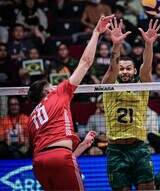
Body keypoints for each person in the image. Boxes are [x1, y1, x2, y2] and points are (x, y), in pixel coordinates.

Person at [27, 15, 113, 190]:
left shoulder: (31, 117)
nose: (55, 86)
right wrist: (96, 32)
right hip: (60, 157)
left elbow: (49, 148)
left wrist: (81, 146)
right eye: (52, 85)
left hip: (38, 163)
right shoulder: (58, 93)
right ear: (47, 91)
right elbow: (85, 62)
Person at [101, 18, 160, 190]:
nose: (125, 71)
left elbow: (147, 67)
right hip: (116, 150)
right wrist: (116, 45)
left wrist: (149, 44)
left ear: (134, 71)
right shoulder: (109, 87)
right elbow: (111, 69)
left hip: (139, 148)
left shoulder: (142, 87)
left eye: (129, 68)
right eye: (122, 68)